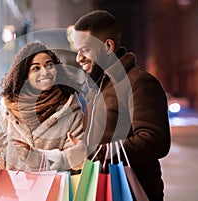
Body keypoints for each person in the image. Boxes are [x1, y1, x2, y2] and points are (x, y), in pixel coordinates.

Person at [72, 10, 171, 200]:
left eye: (85, 50)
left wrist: (98, 152)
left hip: (132, 192)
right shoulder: (97, 86)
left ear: (108, 46)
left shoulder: (139, 82)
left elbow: (155, 140)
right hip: (100, 190)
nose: (78, 58)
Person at [0, 42, 86, 182]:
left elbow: (75, 159)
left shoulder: (71, 109)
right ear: (24, 76)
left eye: (50, 65)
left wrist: (39, 158)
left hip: (53, 193)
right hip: (12, 195)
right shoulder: (4, 111)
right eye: (36, 68)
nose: (45, 72)